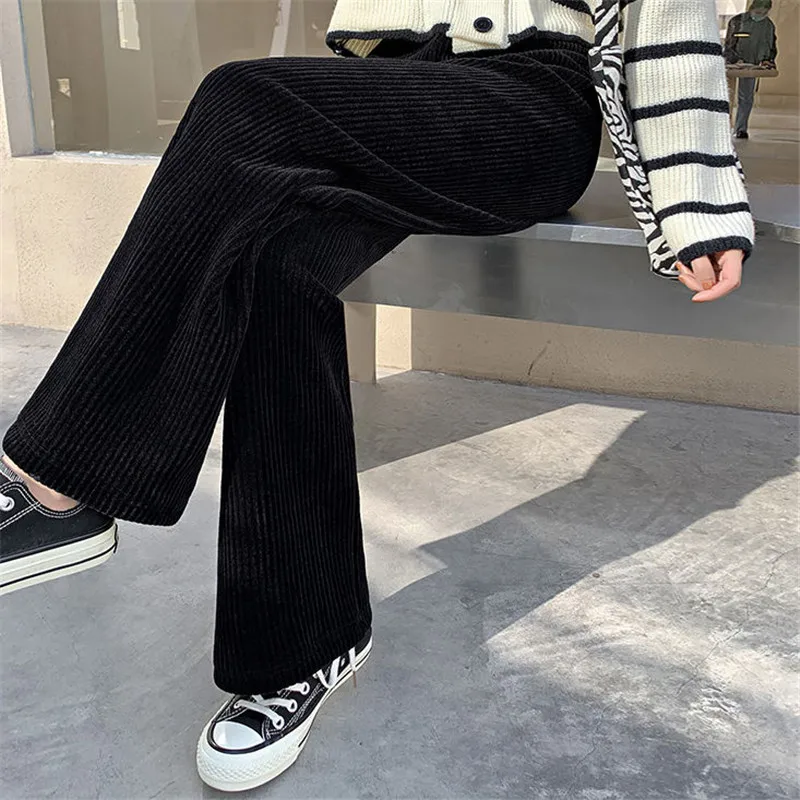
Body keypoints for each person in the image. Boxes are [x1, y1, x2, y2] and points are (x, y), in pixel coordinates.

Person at [0, 0, 754, 792]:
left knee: (241, 98)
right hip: (401, 88)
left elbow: (668, 16)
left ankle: (58, 485)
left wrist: (696, 200)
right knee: (274, 266)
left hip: (527, 105)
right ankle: (305, 644)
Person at [724, 0, 778, 139]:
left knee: (746, 98)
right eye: (758, 12)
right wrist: (735, 59)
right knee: (727, 96)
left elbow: (771, 45)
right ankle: (723, 127)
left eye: (764, 12)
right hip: (733, 64)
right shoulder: (738, 21)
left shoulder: (768, 25)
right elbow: (729, 43)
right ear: (752, 8)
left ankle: (741, 129)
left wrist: (768, 60)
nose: (760, 15)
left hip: (752, 66)